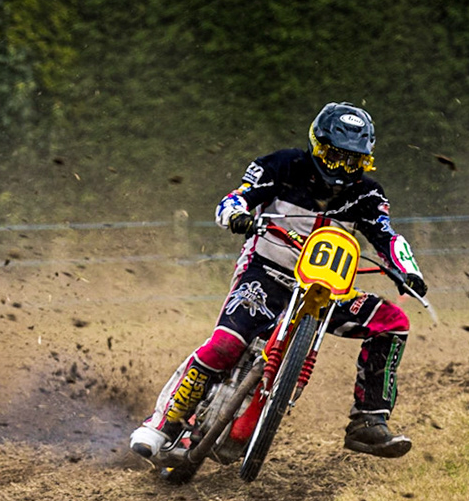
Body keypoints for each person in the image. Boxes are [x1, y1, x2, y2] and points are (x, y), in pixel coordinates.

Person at [130, 102, 428, 463]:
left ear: (365, 162)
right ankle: (163, 425)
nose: (342, 169)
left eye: (353, 162)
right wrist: (237, 216)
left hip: (328, 290)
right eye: (334, 158)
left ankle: (368, 421)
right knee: (225, 345)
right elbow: (236, 197)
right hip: (266, 272)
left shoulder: (367, 193)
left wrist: (407, 270)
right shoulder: (282, 165)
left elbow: (387, 236)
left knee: (392, 322)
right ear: (317, 148)